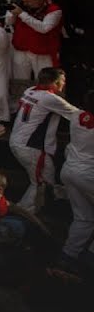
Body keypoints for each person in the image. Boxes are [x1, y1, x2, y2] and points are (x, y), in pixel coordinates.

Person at [8, 67, 81, 213]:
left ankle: (52, 202)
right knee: (41, 183)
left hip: (19, 141)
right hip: (31, 147)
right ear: (55, 82)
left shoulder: (30, 91)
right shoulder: (51, 98)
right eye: (62, 81)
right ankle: (24, 213)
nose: (64, 84)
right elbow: (79, 116)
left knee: (46, 178)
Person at [60, 106, 94, 268]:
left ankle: (68, 255)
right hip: (88, 176)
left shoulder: (77, 115)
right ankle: (90, 257)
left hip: (69, 169)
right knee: (84, 217)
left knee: (84, 217)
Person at [6, 0, 63, 80]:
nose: (25, 4)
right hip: (21, 49)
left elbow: (44, 28)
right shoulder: (22, 7)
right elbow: (9, 22)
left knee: (45, 82)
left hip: (43, 52)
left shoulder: (54, 10)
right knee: (20, 82)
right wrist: (12, 13)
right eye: (23, 1)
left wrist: (22, 14)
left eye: (28, 1)